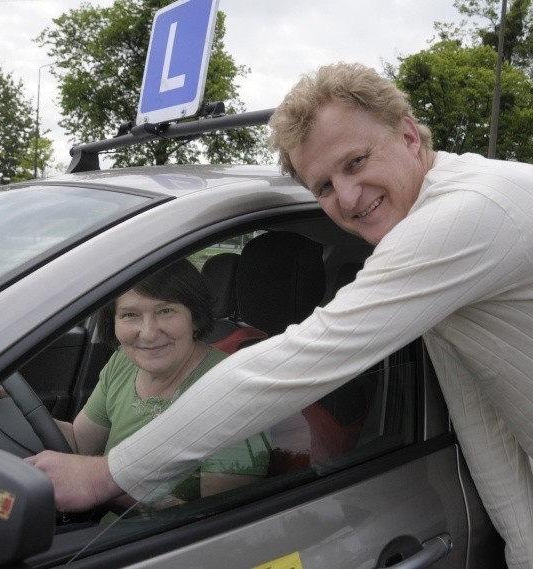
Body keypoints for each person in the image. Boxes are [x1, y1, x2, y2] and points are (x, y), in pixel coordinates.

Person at [27, 62, 533, 568]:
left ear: (407, 134)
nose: (349, 199)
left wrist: (101, 476)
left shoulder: (464, 217)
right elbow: (483, 417)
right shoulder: (442, 232)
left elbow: (288, 367)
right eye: (324, 187)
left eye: (355, 162)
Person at [45, 259, 271, 516]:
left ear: (194, 318)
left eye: (166, 311)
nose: (149, 333)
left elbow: (215, 521)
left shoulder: (231, 390)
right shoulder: (123, 361)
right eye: (130, 315)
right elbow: (78, 441)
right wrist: (10, 404)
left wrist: (102, 484)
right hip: (102, 532)